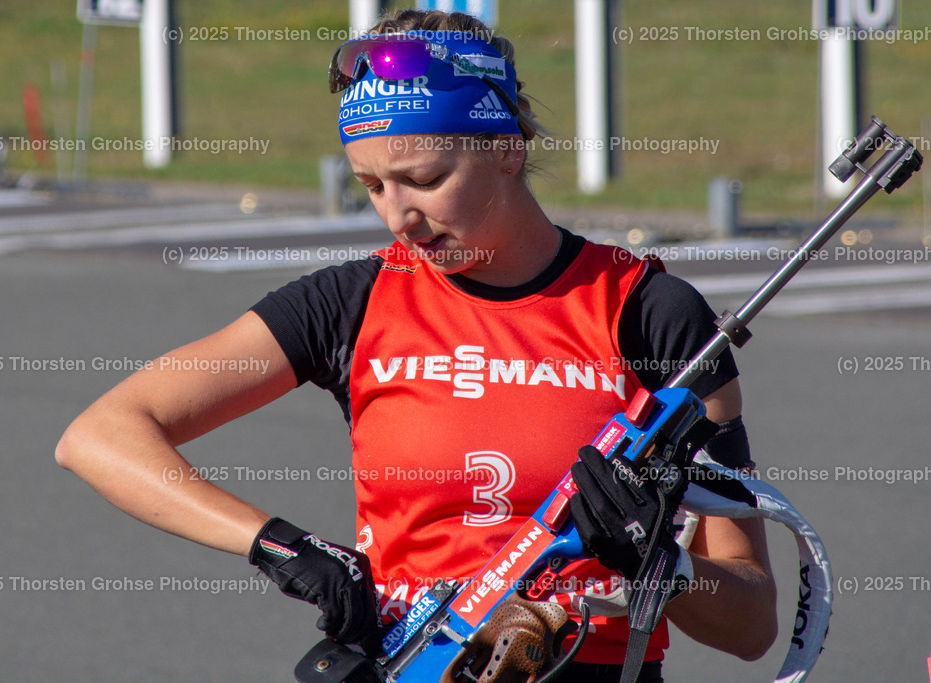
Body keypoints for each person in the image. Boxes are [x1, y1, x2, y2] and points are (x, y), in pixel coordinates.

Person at [56, 8, 777, 681]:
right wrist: (280, 545)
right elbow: (102, 435)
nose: (399, 214)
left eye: (424, 179)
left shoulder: (650, 314)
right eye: (371, 184)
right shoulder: (353, 302)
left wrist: (656, 560)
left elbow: (751, 622)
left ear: (504, 149)